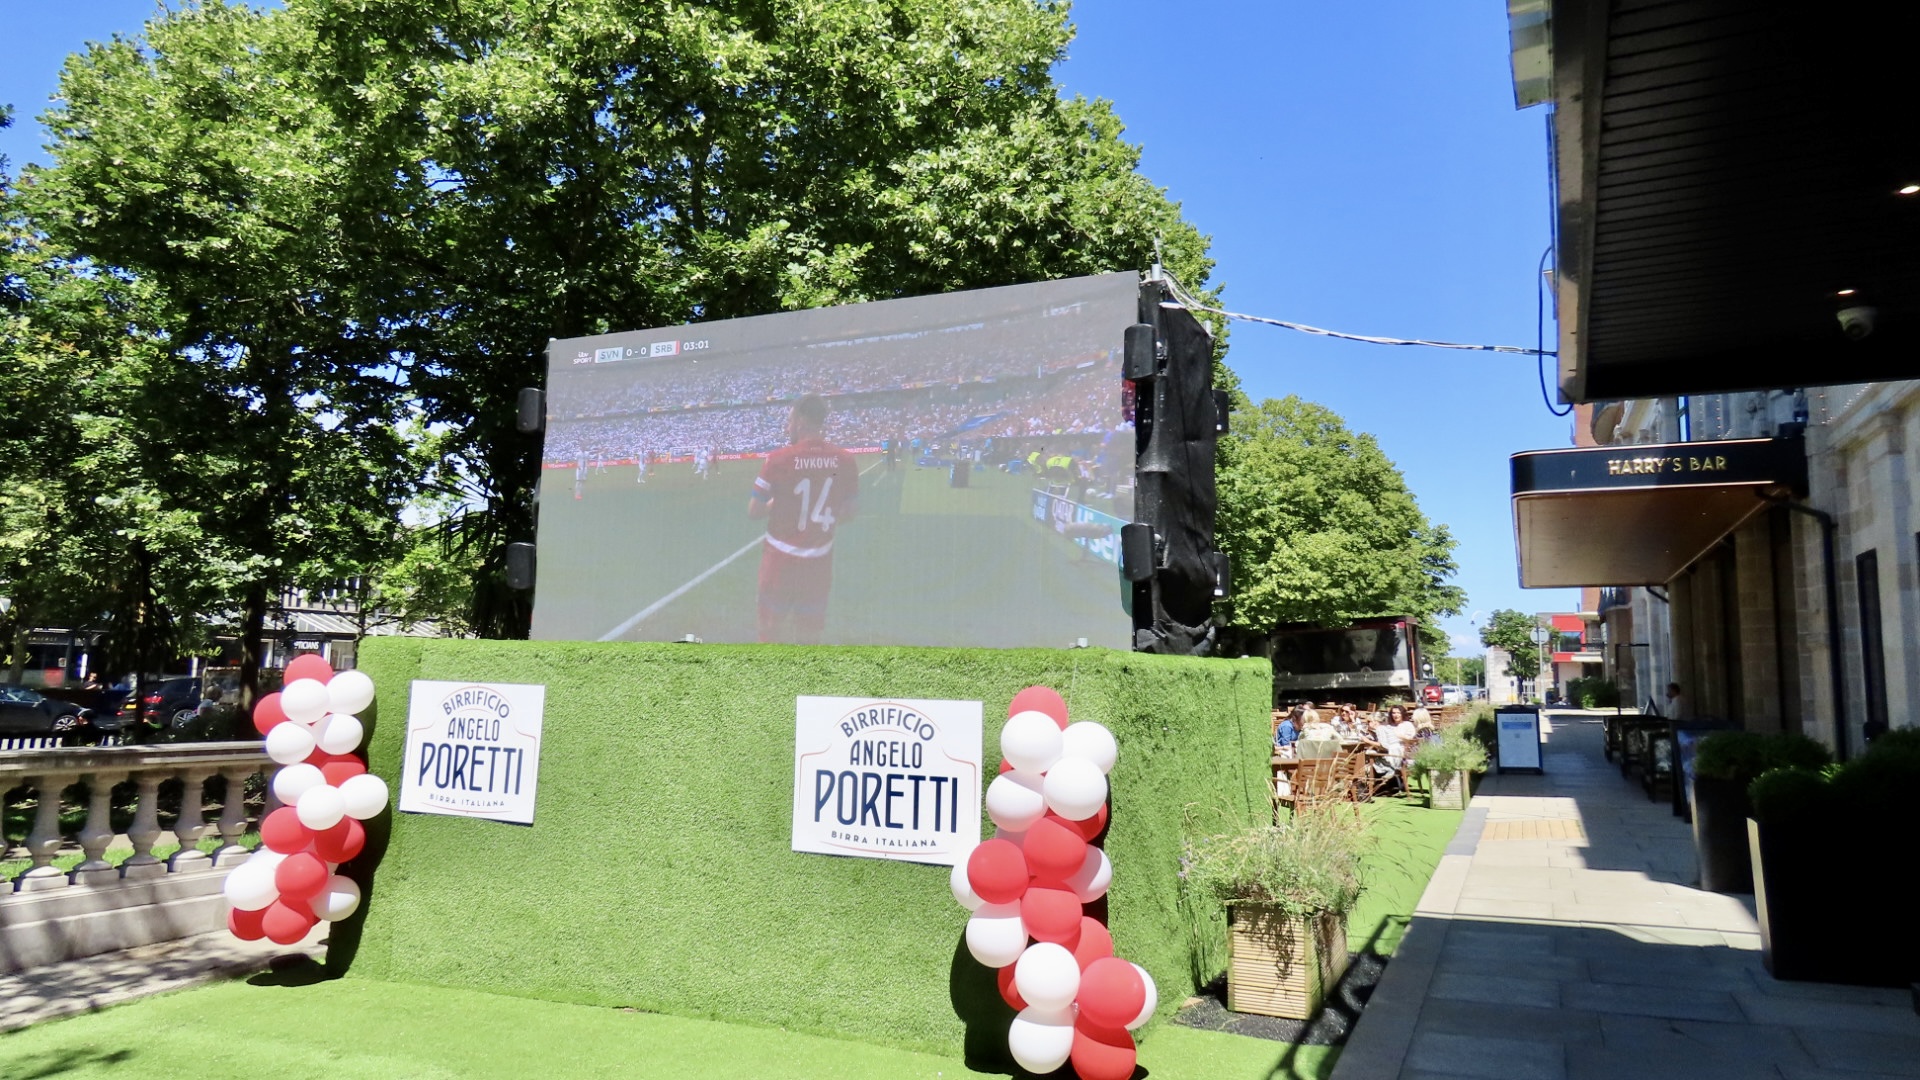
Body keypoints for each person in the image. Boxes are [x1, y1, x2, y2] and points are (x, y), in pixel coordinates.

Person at [749, 395, 859, 644]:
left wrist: (776, 505)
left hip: (779, 563)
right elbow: (850, 511)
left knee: (769, 632)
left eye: (789, 420)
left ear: (800, 421)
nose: (788, 426)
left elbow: (754, 510)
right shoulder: (845, 460)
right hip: (818, 565)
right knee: (809, 638)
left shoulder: (778, 459)